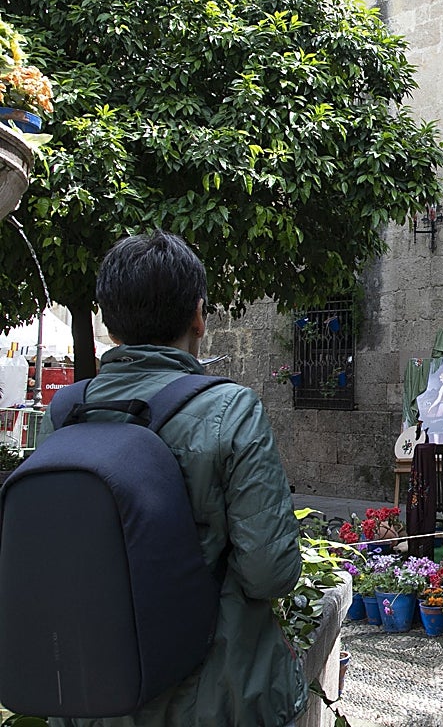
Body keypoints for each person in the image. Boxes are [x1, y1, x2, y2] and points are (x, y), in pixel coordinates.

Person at [47, 231, 305, 727]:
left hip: (92, 695)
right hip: (215, 700)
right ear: (199, 316)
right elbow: (271, 571)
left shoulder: (65, 412)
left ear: (107, 320)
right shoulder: (231, 410)